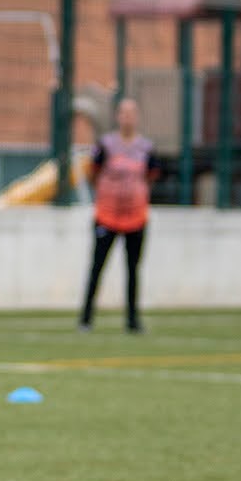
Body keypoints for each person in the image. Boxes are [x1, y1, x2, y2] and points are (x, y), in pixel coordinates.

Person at [79, 98, 159, 334]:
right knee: (97, 267)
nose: (128, 118)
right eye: (123, 113)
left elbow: (152, 176)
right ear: (117, 117)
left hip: (136, 218)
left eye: (132, 113)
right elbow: (92, 173)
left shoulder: (146, 148)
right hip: (106, 216)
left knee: (133, 270)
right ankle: (86, 318)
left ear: (138, 117)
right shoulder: (106, 145)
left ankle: (133, 320)